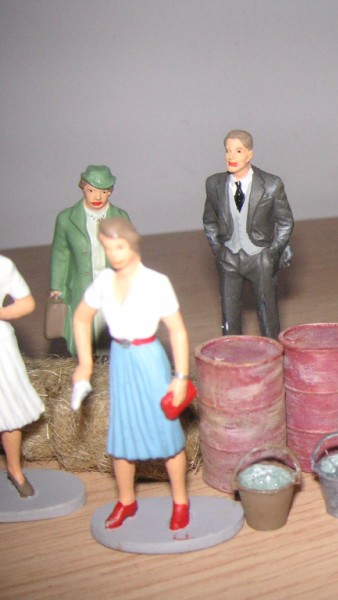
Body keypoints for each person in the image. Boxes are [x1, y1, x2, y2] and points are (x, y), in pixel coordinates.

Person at [72, 218, 191, 530]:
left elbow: (177, 331)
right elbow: (81, 318)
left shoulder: (156, 282)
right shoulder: (103, 282)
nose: (114, 254)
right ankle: (126, 500)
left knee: (167, 433)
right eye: (108, 248)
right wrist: (85, 363)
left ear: (133, 244)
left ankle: (180, 501)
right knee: (121, 436)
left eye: (120, 246)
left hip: (148, 359)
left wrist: (181, 377)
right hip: (121, 361)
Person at [203, 129, 294, 338]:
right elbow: (209, 221)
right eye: (227, 150)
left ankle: (273, 353)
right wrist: (219, 250)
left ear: (249, 155)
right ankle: (232, 354)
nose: (231, 156)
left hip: (259, 257)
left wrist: (271, 253)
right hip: (229, 258)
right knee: (229, 317)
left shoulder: (271, 184)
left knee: (268, 315)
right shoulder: (214, 184)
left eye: (238, 151)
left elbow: (285, 222)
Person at [50, 165, 130, 355]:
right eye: (92, 190)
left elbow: (129, 251)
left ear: (110, 192)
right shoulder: (66, 219)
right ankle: (86, 357)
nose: (98, 196)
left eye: (104, 191)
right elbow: (60, 253)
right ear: (83, 187)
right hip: (82, 284)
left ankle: (113, 355)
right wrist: (57, 285)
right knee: (85, 323)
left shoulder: (120, 216)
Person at [0, 256, 45, 498]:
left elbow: (26, 303)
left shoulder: (3, 265)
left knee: (9, 412)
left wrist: (2, 312)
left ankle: (15, 470)